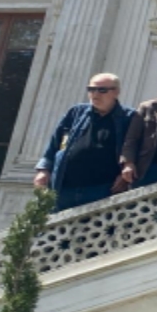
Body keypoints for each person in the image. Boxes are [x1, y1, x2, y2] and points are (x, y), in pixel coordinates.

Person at [34, 73, 134, 211]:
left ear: (116, 92)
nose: (95, 94)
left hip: (102, 190)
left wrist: (124, 176)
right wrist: (43, 170)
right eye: (91, 89)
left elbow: (134, 149)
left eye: (102, 90)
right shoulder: (76, 112)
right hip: (64, 187)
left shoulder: (129, 117)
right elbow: (55, 143)